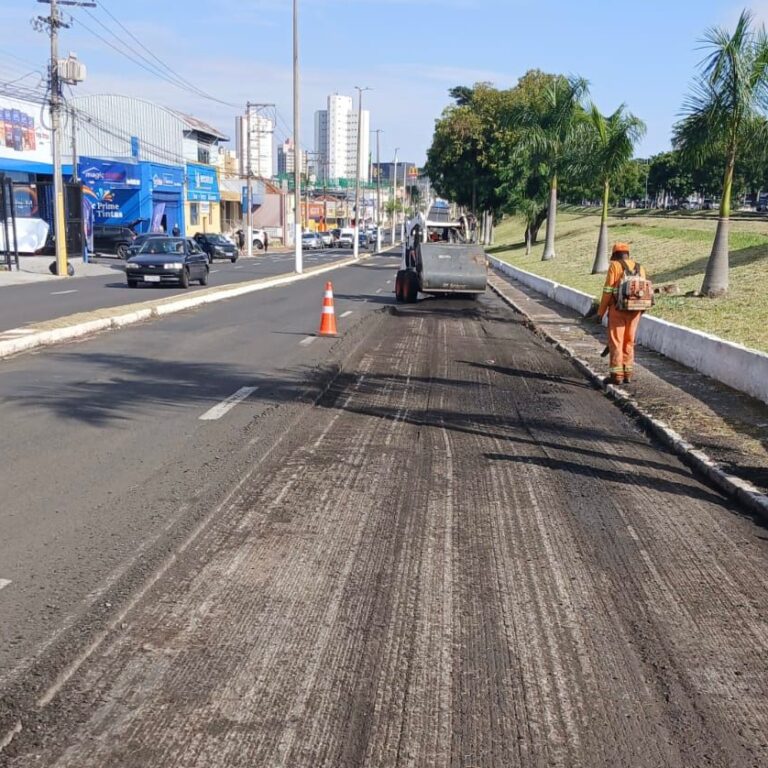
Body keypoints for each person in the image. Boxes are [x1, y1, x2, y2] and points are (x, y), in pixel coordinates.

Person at [596, 242, 647, 385]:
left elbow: (607, 291)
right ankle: (628, 373)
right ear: (628, 254)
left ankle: (616, 375)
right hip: (635, 310)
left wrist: (601, 312)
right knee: (629, 341)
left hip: (617, 310)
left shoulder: (615, 266)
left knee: (616, 341)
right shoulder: (640, 267)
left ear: (615, 255)